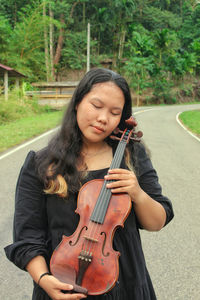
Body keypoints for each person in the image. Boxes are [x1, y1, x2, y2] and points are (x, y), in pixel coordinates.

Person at [5, 68, 174, 300]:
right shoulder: (40, 163)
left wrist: (137, 193)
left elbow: (157, 222)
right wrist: (44, 279)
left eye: (115, 113)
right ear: (77, 102)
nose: (104, 118)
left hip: (127, 286)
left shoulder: (130, 155)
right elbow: (27, 236)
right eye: (96, 106)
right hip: (60, 285)